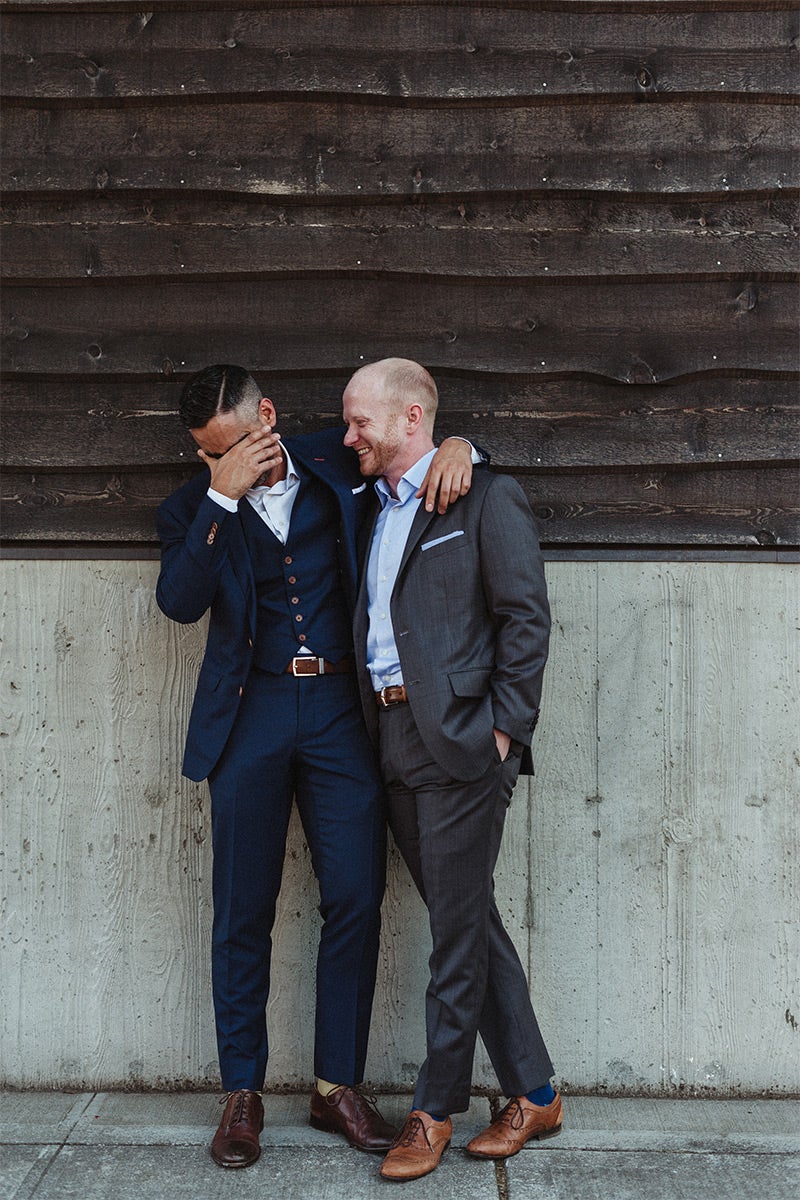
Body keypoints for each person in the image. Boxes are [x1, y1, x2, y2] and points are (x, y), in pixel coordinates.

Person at [155, 364, 476, 1169]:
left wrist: (463, 443)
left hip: (340, 713)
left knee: (356, 897)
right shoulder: (192, 509)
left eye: (230, 448)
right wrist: (222, 496)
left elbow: (409, 456)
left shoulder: (337, 461)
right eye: (205, 456)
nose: (218, 465)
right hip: (249, 716)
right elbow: (179, 601)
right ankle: (242, 1092)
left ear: (265, 414)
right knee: (242, 907)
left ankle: (337, 1087)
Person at [343, 358, 561, 1182]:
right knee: (469, 922)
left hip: (465, 743)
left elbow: (525, 617)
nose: (348, 434)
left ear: (409, 420)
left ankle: (434, 1111)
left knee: (454, 938)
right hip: (391, 738)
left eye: (361, 420)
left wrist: (504, 731)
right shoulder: (371, 504)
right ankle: (535, 1089)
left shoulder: (483, 497)